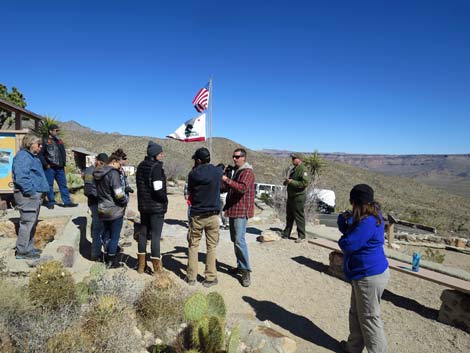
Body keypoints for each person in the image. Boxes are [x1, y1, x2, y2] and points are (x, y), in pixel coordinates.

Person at [337, 184, 390, 353]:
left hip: (369, 275)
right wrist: (343, 222)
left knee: (369, 318)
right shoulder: (369, 215)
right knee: (356, 313)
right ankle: (353, 348)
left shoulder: (367, 221)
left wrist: (344, 236)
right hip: (364, 274)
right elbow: (353, 231)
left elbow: (349, 243)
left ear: (357, 202)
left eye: (352, 203)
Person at [186, 147, 223, 287]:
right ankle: (210, 277)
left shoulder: (193, 174)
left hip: (197, 215)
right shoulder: (218, 172)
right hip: (213, 215)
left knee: (193, 245)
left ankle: (191, 277)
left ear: (199, 160)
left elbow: (190, 191)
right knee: (211, 246)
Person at [12, 134, 50, 259]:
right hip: (27, 196)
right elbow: (21, 177)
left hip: (33, 195)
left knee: (31, 223)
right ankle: (22, 251)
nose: (41, 146)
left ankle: (29, 248)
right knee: (27, 223)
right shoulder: (23, 157)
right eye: (38, 144)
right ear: (30, 144)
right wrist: (32, 192)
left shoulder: (31, 157)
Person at [222, 148, 255, 287]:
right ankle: (240, 265)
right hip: (233, 209)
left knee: (239, 240)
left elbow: (242, 188)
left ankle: (246, 270)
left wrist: (226, 179)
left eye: (237, 157)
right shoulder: (236, 171)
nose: (234, 159)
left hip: (241, 211)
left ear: (243, 158)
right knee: (235, 240)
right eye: (233, 156)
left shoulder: (247, 172)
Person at [136, 141, 168, 275]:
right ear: (156, 154)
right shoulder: (156, 168)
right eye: (160, 153)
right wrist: (164, 199)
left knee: (143, 234)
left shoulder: (140, 166)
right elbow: (157, 189)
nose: (162, 155)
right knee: (155, 236)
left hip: (143, 206)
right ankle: (157, 269)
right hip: (156, 208)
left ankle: (141, 267)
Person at [93, 154, 128, 268]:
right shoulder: (113, 173)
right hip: (114, 210)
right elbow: (118, 193)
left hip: (102, 209)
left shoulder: (98, 173)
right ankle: (112, 261)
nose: (119, 167)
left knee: (106, 234)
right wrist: (124, 201)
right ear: (114, 161)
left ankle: (106, 257)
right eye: (119, 164)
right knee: (115, 236)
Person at [39, 123, 78, 209]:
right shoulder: (44, 141)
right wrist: (46, 164)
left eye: (58, 130)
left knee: (63, 185)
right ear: (50, 131)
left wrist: (63, 163)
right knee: (49, 185)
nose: (57, 132)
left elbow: (62, 153)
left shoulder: (59, 140)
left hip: (60, 168)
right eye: (56, 131)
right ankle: (51, 203)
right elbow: (40, 154)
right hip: (50, 168)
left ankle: (67, 202)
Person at [83, 152, 108, 261]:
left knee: (101, 229)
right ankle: (95, 254)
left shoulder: (100, 171)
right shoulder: (90, 171)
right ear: (96, 160)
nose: (102, 165)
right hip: (95, 203)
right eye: (101, 162)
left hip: (101, 203)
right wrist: (100, 196)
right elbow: (88, 190)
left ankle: (99, 252)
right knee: (97, 230)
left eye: (104, 164)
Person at [281, 153, 310, 243]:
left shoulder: (303, 170)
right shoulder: (294, 169)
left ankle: (301, 236)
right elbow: (290, 180)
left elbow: (304, 184)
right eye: (292, 158)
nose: (292, 160)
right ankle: (286, 233)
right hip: (291, 196)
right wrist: (287, 182)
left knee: (298, 216)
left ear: (299, 159)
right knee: (289, 216)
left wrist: (292, 182)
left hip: (298, 197)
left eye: (294, 158)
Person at [216, 163, 229, 230]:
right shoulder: (216, 176)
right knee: (218, 209)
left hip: (225, 193)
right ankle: (220, 223)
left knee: (225, 209)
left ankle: (227, 223)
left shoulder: (226, 176)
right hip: (218, 193)